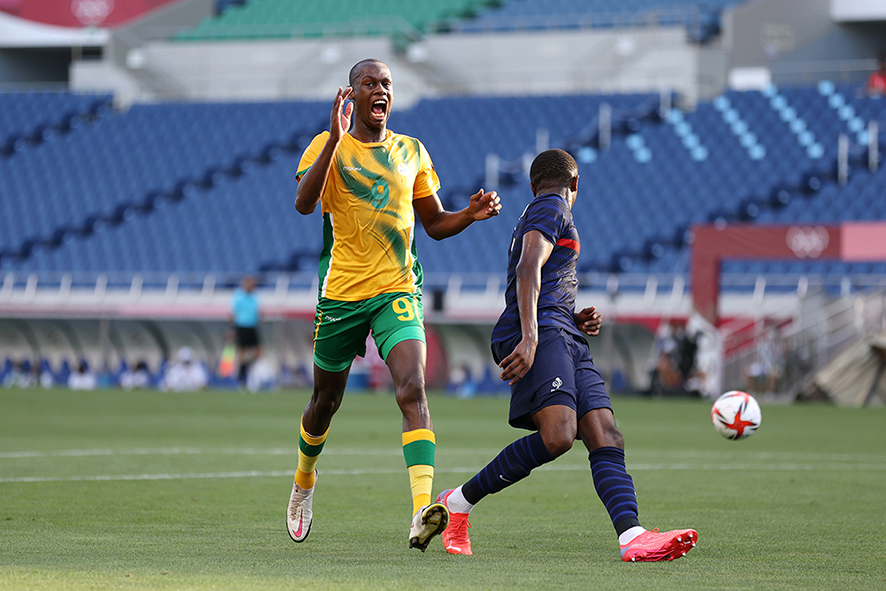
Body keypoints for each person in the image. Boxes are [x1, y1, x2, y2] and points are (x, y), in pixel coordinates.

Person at [434, 149, 698, 561]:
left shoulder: (541, 209)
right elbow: (527, 269)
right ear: (575, 184)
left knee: (605, 433)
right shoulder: (552, 207)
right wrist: (530, 337)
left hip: (562, 330)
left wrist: (571, 317)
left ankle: (632, 536)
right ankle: (458, 503)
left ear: (533, 184)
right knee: (558, 435)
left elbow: (540, 274)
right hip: (543, 332)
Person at [287, 58, 501, 551]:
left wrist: (468, 215)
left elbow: (435, 223)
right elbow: (303, 203)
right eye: (370, 83)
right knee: (325, 402)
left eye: (386, 83)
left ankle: (421, 510)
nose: (381, 90)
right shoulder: (326, 146)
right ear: (352, 94)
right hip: (341, 294)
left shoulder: (412, 150)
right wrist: (335, 138)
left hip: (397, 290)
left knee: (413, 389)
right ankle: (304, 480)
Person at [230, 276, 262, 388]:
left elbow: (257, 312)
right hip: (241, 326)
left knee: (258, 352)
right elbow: (233, 313)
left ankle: (246, 367)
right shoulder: (238, 296)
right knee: (242, 353)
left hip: (252, 326)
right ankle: (241, 377)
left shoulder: (255, 296)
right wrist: (232, 330)